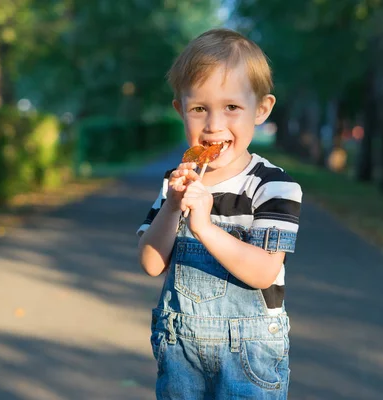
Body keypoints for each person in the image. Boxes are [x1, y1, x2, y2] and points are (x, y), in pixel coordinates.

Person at [137, 28, 302, 399]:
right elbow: (150, 263)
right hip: (181, 354)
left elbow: (264, 272)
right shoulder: (177, 181)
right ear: (181, 109)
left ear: (261, 109)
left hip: (249, 356)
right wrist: (174, 206)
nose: (213, 125)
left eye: (231, 107)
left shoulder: (273, 186)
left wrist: (205, 226)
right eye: (199, 108)